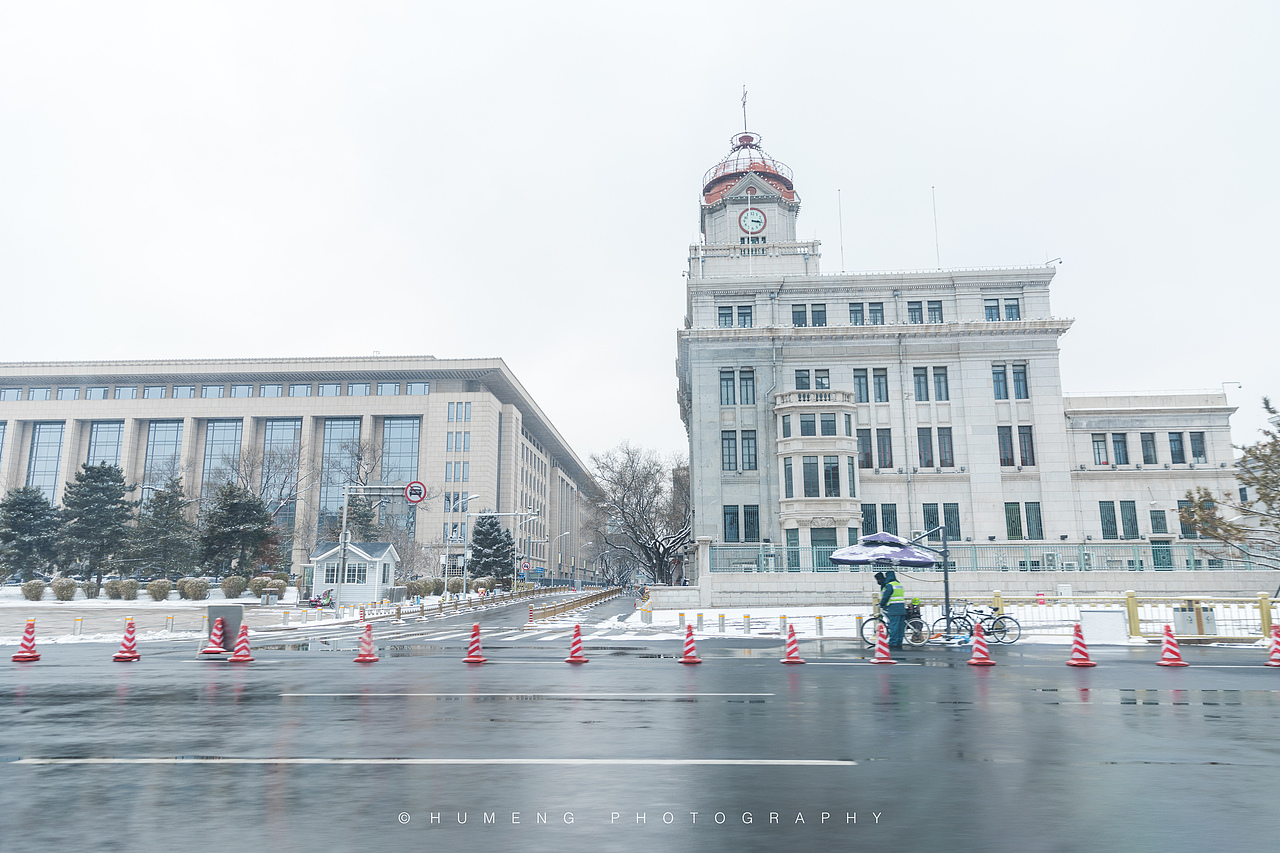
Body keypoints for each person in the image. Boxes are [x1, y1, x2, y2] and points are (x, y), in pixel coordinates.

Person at [875, 570, 907, 649]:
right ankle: (899, 641)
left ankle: (893, 642)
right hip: (901, 608)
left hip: (893, 609)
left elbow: (886, 597)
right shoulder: (899, 584)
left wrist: (881, 604)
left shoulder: (890, 585)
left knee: (894, 626)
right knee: (900, 627)